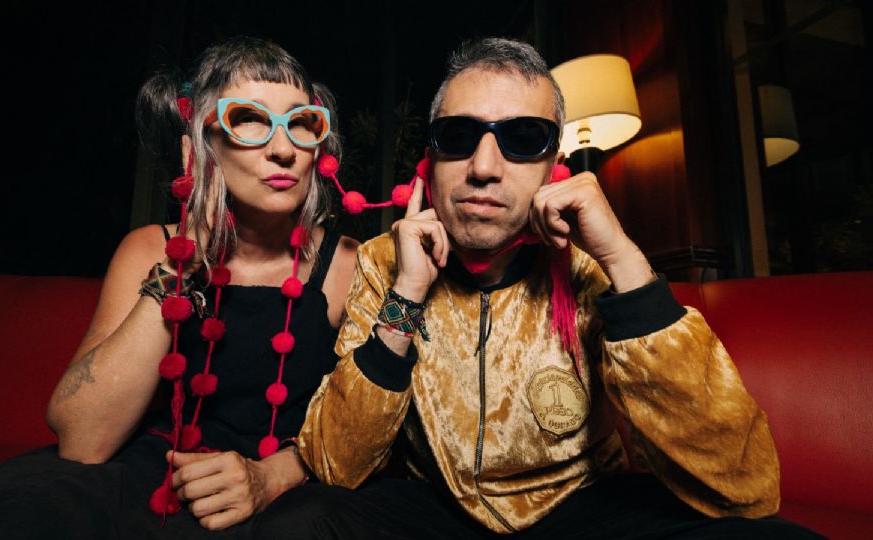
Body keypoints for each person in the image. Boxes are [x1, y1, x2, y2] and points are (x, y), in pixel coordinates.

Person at [259, 38, 820, 538]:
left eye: (523, 138)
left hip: (582, 508)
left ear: (555, 166)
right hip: (435, 508)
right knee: (297, 523)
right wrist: (406, 294)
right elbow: (335, 463)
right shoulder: (385, 262)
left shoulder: (591, 267)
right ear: (430, 160)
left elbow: (743, 485)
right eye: (459, 135)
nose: (484, 166)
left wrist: (622, 259)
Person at [0, 36, 359, 539]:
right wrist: (186, 258)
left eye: (300, 123)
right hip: (148, 480)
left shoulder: (348, 264)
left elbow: (368, 430)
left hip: (285, 492)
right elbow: (83, 439)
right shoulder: (149, 249)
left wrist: (276, 475)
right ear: (198, 148)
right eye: (249, 119)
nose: (283, 149)